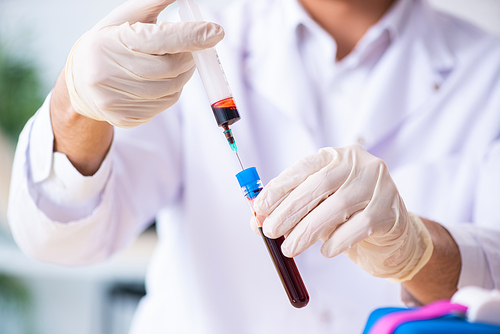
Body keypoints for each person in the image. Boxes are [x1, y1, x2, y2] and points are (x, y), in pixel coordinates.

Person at [7, 0, 500, 332]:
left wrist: (415, 249)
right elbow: (58, 236)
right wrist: (75, 105)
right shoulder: (190, 32)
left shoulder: (489, 71)